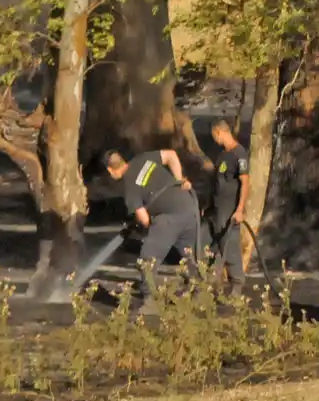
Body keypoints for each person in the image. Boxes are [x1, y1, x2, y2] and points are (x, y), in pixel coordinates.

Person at [105, 147, 201, 292]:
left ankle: (149, 300)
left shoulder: (129, 186)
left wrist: (145, 227)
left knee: (147, 259)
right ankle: (200, 292)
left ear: (110, 170)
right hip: (189, 206)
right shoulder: (143, 158)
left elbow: (144, 219)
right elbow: (171, 154)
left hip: (169, 217)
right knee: (188, 254)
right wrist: (178, 180)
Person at [208, 120, 250, 293]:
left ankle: (237, 286)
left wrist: (239, 209)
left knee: (230, 247)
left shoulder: (239, 154)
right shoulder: (223, 155)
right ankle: (211, 286)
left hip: (230, 210)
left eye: (214, 137)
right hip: (217, 210)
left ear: (219, 132)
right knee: (215, 247)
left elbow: (245, 183)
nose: (214, 141)